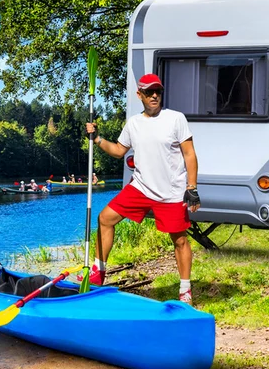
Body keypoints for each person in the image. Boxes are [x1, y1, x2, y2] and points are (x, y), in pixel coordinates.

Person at [81, 73, 201, 305]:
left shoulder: (175, 119)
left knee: (180, 241)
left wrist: (192, 187)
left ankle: (185, 290)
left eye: (157, 91)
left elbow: (189, 154)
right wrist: (96, 139)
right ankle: (99, 272)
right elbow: (118, 150)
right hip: (141, 188)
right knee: (105, 218)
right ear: (140, 95)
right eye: (149, 92)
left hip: (171, 192)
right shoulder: (133, 123)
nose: (154, 95)